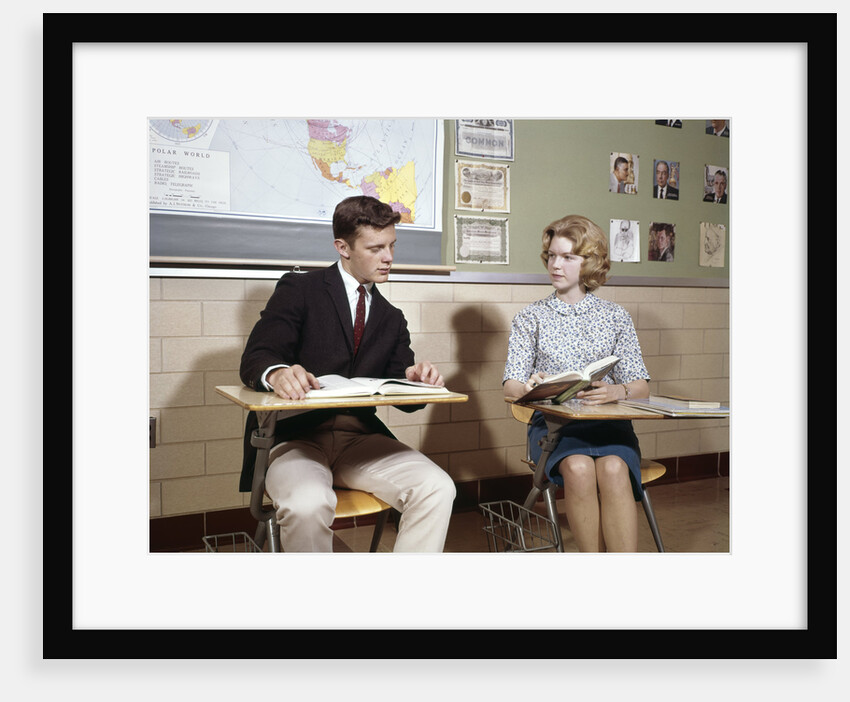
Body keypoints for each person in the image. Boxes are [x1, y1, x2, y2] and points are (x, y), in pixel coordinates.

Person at [239, 195, 456, 552]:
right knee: (307, 503)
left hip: (360, 442)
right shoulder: (300, 290)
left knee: (438, 487)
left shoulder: (391, 317)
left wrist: (413, 380)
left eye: (392, 246)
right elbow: (257, 357)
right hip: (295, 438)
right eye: (376, 248)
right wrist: (277, 373)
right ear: (343, 247)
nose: (389, 257)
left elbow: (405, 398)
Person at [503, 214, 651, 552]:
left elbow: (641, 388)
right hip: (555, 429)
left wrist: (619, 390)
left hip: (608, 423)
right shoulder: (530, 317)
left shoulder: (615, 316)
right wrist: (528, 388)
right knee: (579, 467)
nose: (556, 264)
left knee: (614, 468)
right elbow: (510, 386)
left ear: (590, 263)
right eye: (552, 256)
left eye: (568, 257)